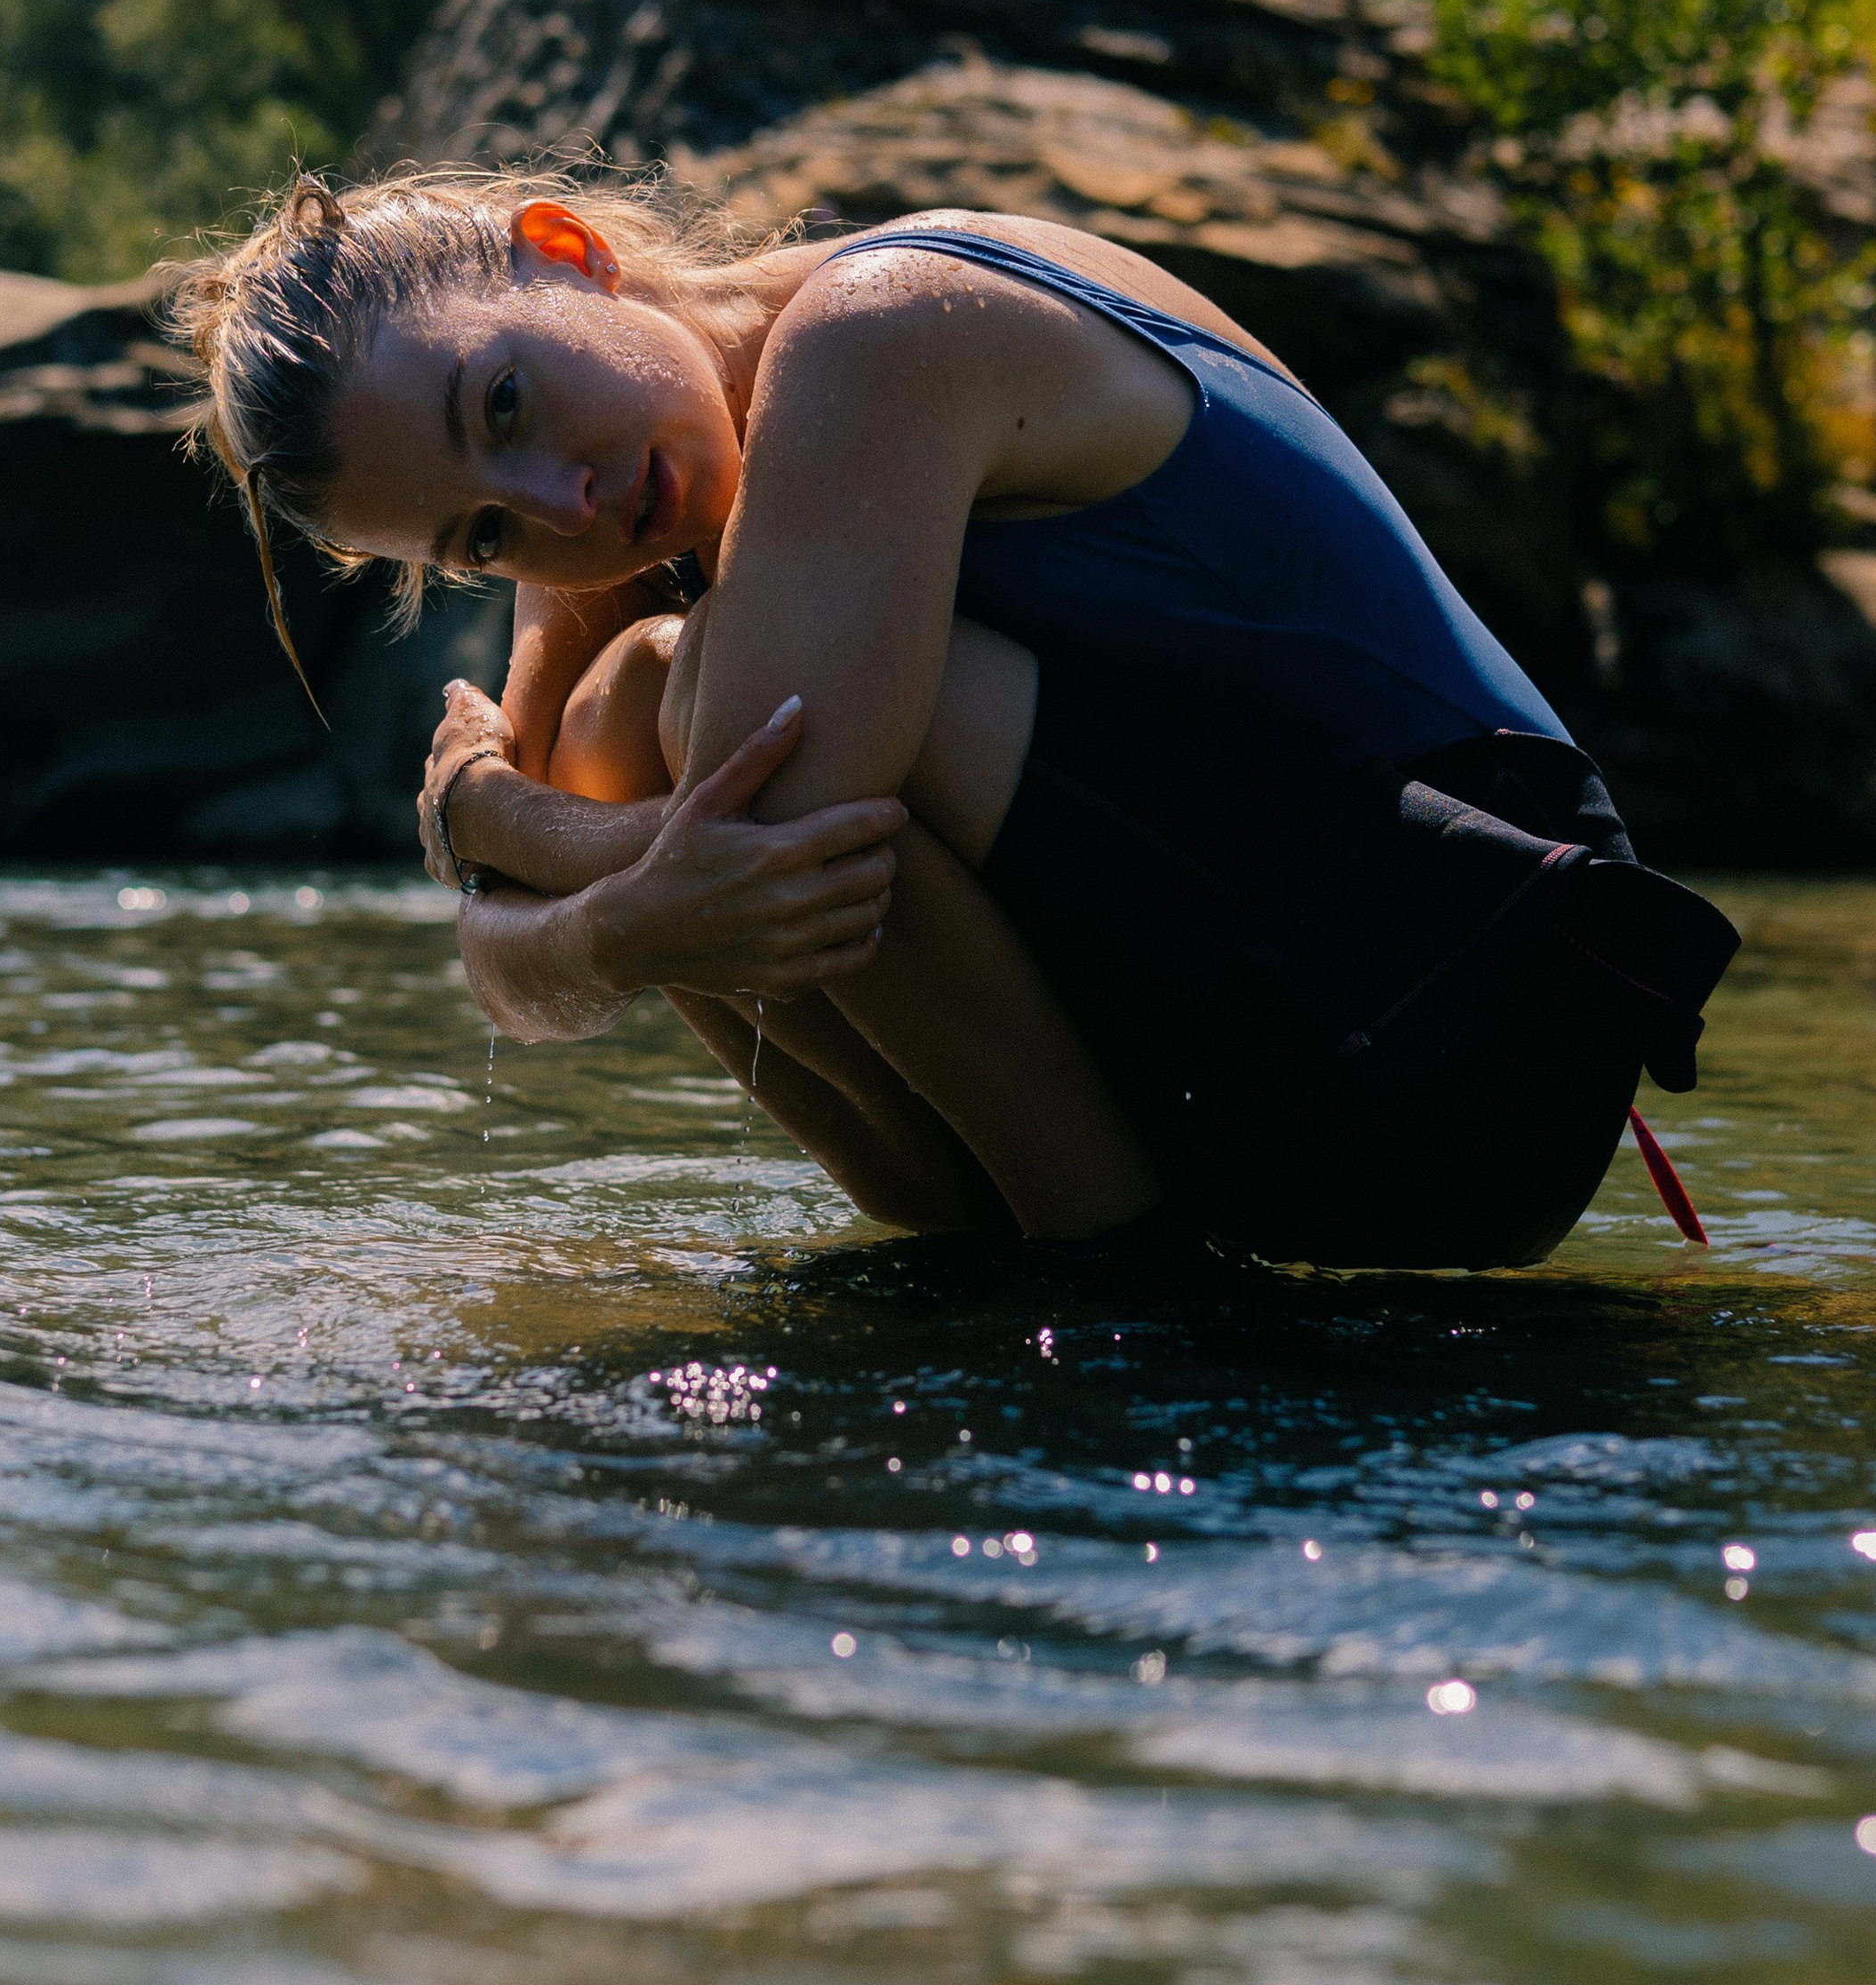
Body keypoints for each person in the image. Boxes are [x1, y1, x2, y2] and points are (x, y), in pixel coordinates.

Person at [173, 164, 1737, 1263]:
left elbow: (768, 847)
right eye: (483, 540)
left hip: (1475, 1010)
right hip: (1307, 1037)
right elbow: (523, 955)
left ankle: (1110, 1279)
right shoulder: (627, 483)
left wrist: (493, 818)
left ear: (565, 252)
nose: (553, 504)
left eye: (502, 404)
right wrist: (580, 888)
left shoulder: (877, 333)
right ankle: (1010, 1243)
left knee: (709, 701)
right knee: (633, 702)